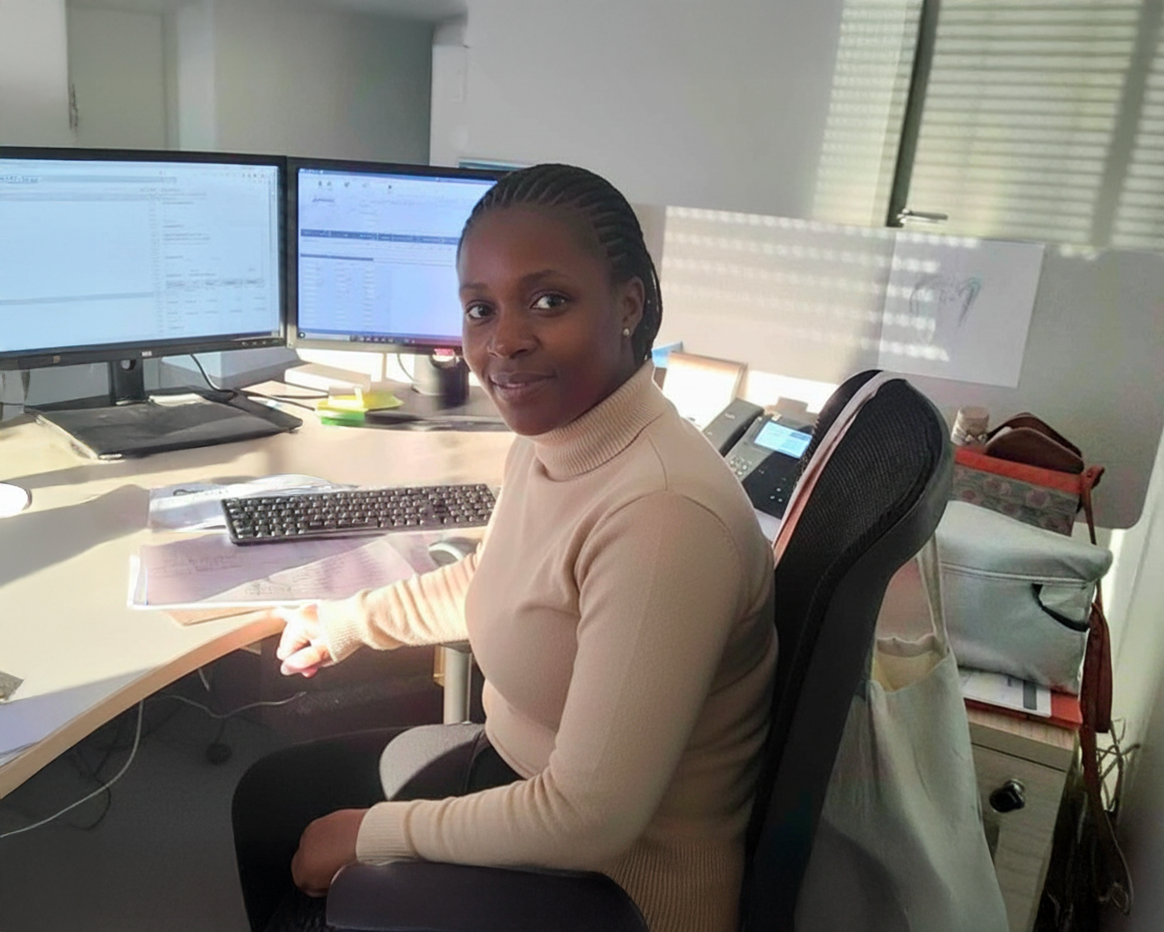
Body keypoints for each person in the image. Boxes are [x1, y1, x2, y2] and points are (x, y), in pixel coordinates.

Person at [232, 163, 776, 932]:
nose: (506, 342)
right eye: (481, 309)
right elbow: (501, 581)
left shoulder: (662, 514)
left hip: (614, 891)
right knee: (274, 800)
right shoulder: (555, 437)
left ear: (628, 304)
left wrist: (368, 834)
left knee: (327, 872)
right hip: (524, 785)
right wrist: (352, 621)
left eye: (549, 301)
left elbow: (586, 818)